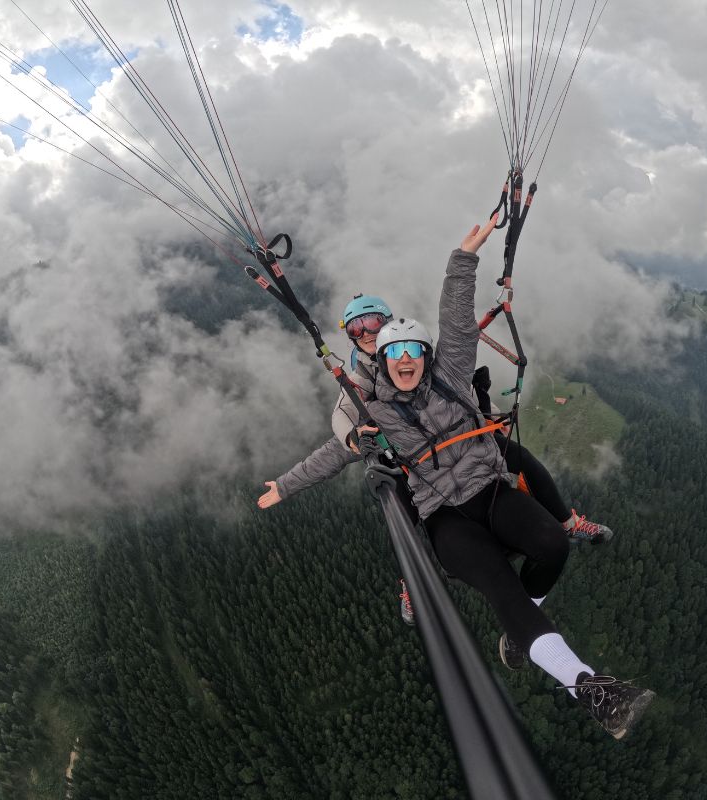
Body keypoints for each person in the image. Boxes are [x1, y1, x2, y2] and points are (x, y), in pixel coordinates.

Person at [350, 218, 653, 739]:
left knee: (552, 545)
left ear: (425, 354)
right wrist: (354, 444)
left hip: (487, 488)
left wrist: (464, 257)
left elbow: (457, 321)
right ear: (379, 361)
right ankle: (590, 687)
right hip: (446, 519)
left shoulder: (451, 378)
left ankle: (522, 630)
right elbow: (347, 442)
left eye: (410, 350)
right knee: (500, 589)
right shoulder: (374, 407)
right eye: (389, 352)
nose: (401, 358)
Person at [258, 293, 614, 629]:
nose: (365, 332)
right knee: (399, 507)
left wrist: (481, 412)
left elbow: (451, 388)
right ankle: (411, 581)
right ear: (349, 336)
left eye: (372, 322)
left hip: (454, 446)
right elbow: (339, 437)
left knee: (513, 452)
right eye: (355, 328)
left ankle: (566, 521)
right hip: (407, 456)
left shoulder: (410, 352)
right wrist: (296, 479)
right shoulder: (359, 379)